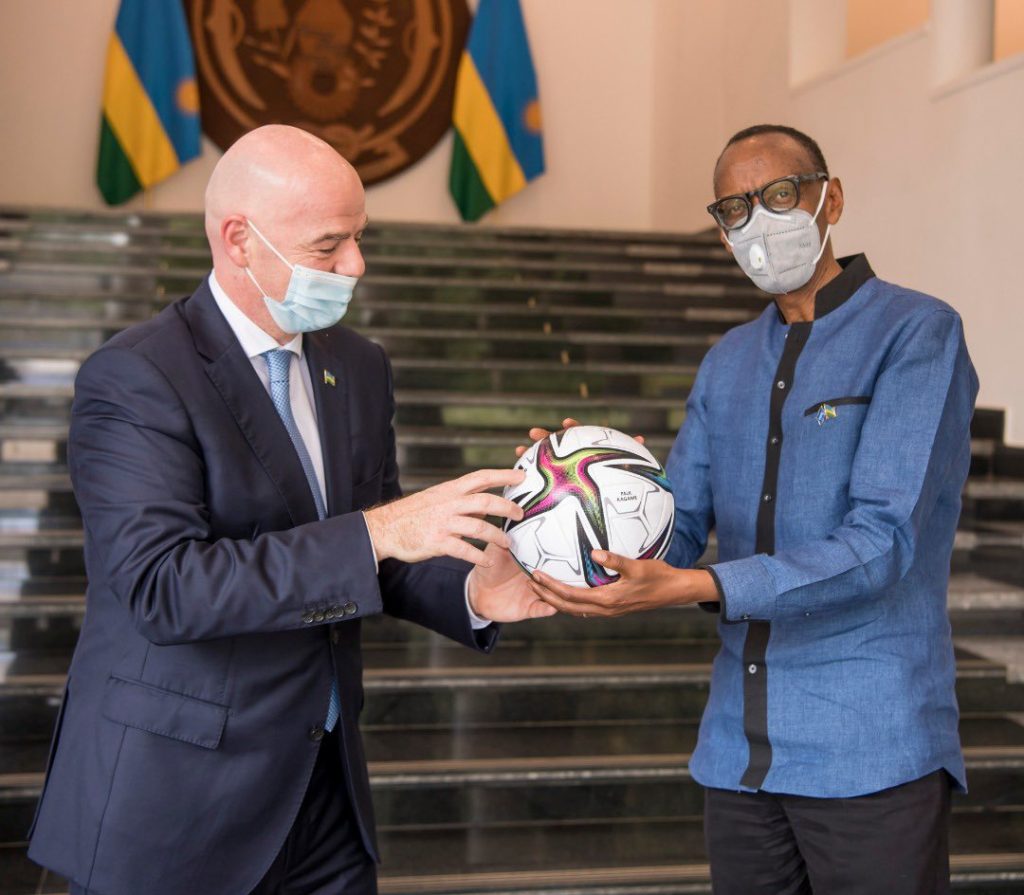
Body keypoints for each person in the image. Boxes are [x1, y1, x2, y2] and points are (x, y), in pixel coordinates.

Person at [27, 124, 552, 895]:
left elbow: (379, 553)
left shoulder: (360, 365)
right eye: (329, 244)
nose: (356, 265)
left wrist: (475, 588)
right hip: (173, 804)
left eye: (360, 237)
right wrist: (378, 531)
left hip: (325, 795)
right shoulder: (136, 375)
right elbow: (163, 586)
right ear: (239, 240)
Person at [527, 124, 978, 894]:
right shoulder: (728, 360)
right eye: (735, 208)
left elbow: (883, 541)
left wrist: (702, 584)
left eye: (778, 194)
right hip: (738, 757)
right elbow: (678, 525)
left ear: (831, 199)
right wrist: (587, 487)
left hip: (870, 749)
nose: (757, 220)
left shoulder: (916, 332)